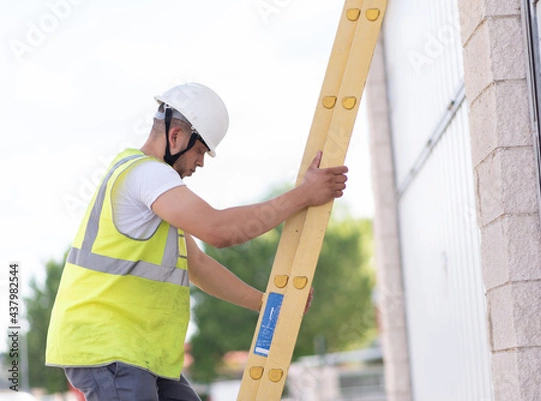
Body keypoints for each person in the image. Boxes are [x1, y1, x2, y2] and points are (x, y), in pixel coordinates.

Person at [45, 83, 348, 401]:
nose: (201, 162)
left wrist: (265, 303)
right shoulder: (146, 175)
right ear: (176, 136)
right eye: (200, 150)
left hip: (143, 354)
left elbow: (199, 266)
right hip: (109, 349)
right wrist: (303, 195)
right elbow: (219, 231)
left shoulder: (155, 195)